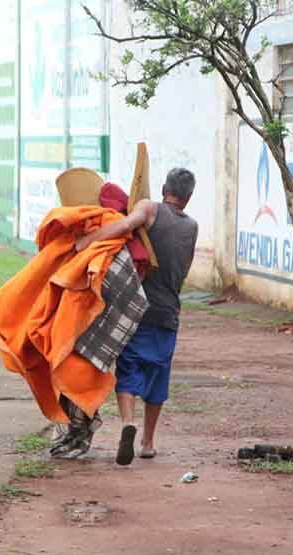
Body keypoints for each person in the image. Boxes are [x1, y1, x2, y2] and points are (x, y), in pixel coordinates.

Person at [76, 167, 198, 465]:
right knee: (158, 374)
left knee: (129, 367)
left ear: (163, 188)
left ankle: (128, 421)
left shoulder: (149, 209)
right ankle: (147, 442)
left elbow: (122, 228)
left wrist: (88, 241)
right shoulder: (192, 227)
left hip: (135, 305)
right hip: (168, 310)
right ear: (188, 197)